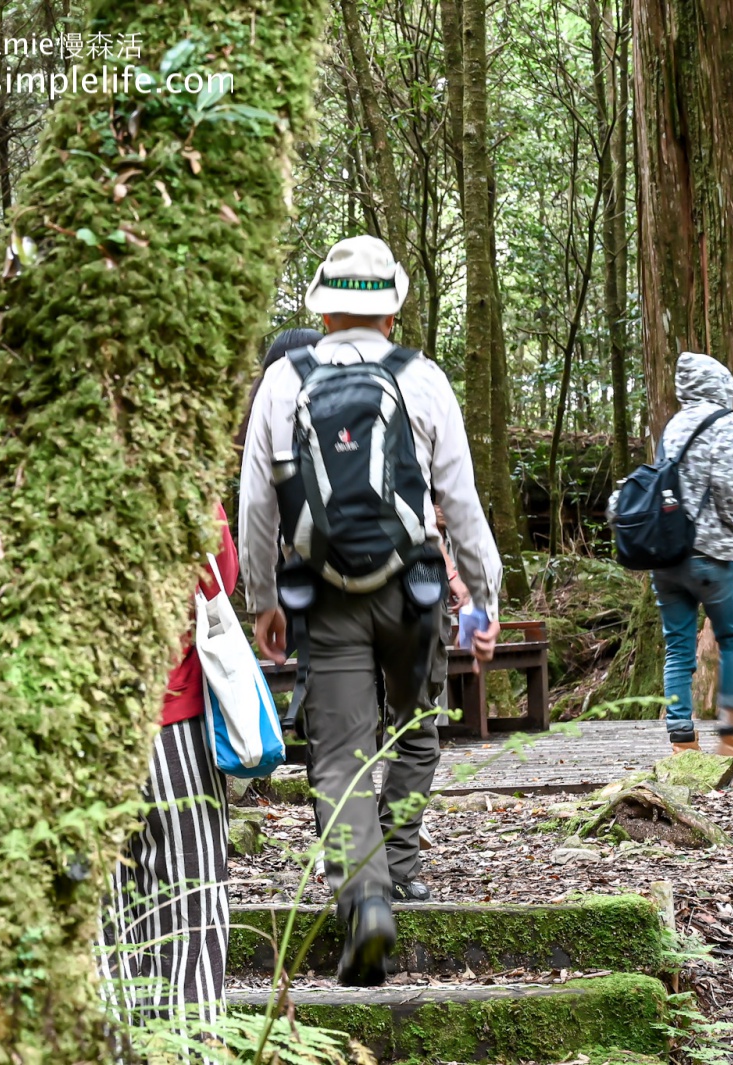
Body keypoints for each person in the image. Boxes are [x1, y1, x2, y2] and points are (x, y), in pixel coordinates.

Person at [239, 235, 501, 987]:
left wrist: (263, 600)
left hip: (321, 594)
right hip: (414, 588)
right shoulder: (423, 379)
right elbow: (461, 501)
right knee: (418, 722)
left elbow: (257, 502)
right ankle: (401, 855)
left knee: (339, 752)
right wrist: (484, 601)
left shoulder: (282, 382)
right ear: (392, 309)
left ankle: (367, 898)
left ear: (322, 307)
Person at [97, 504, 235, 1026]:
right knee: (191, 909)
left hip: (83, 731)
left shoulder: (33, 463)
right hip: (174, 717)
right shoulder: (179, 463)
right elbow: (221, 572)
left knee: (102, 921)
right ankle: (189, 1047)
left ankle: (111, 1047)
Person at [637, 352, 733, 764]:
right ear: (720, 386)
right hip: (711, 550)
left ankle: (680, 738)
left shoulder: (673, 423)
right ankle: (729, 730)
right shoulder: (726, 422)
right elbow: (727, 486)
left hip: (665, 553)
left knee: (677, 648)